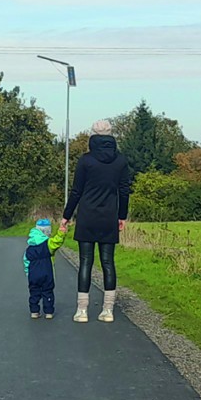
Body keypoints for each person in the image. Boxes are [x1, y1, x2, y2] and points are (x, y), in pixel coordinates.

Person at [60, 119, 133, 323]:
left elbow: (76, 191)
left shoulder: (86, 160)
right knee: (108, 262)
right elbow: (124, 190)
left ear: (93, 135)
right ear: (111, 135)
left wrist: (66, 216)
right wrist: (122, 216)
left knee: (86, 261)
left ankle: (82, 311)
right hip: (109, 216)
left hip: (87, 216)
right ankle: (108, 310)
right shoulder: (120, 161)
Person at [23, 216, 62, 319]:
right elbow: (57, 242)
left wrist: (28, 272)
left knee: (34, 291)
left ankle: (34, 311)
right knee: (47, 291)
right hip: (46, 272)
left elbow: (26, 261)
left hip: (33, 274)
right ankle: (48, 312)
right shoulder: (48, 244)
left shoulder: (29, 248)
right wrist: (61, 233)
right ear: (47, 231)